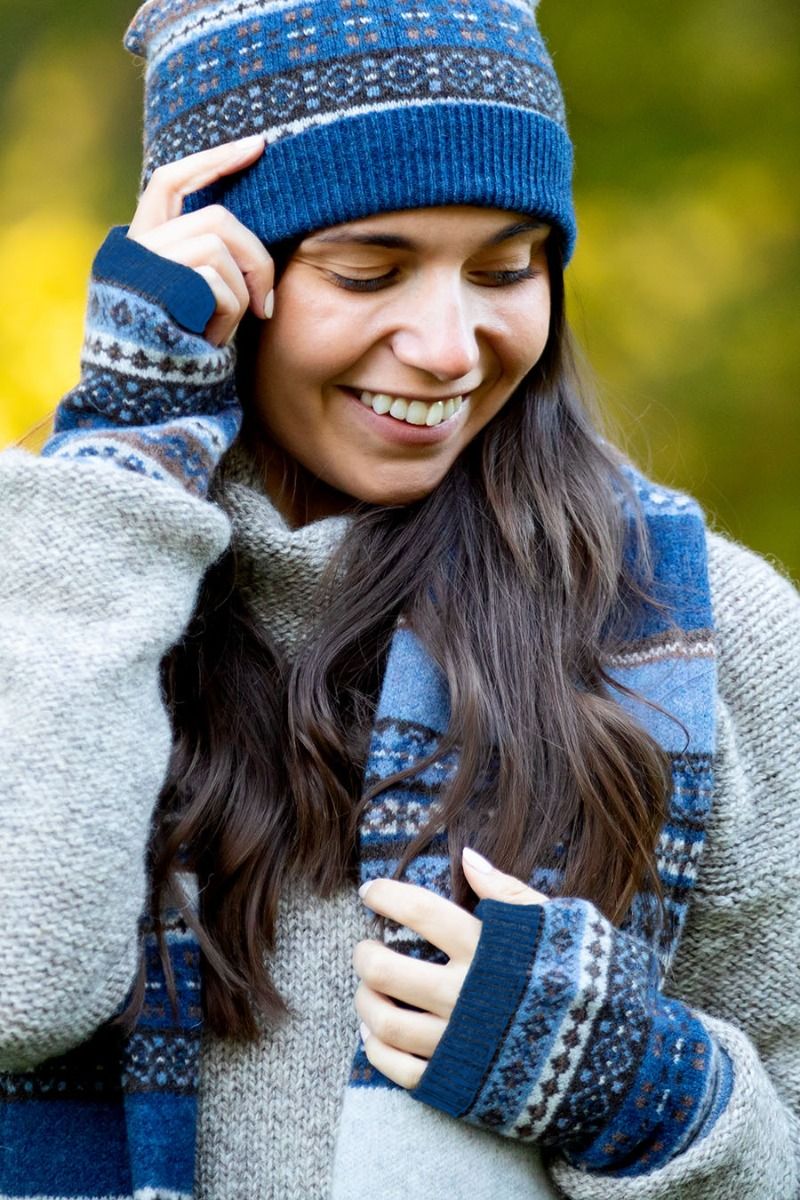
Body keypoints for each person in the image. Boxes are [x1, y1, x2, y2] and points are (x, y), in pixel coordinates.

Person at [0, 1, 797, 1197]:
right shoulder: (60, 572)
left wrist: (638, 1088)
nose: (447, 345)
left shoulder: (704, 633)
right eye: (369, 270)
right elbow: (23, 985)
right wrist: (123, 447)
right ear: (222, 271)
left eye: (505, 268)